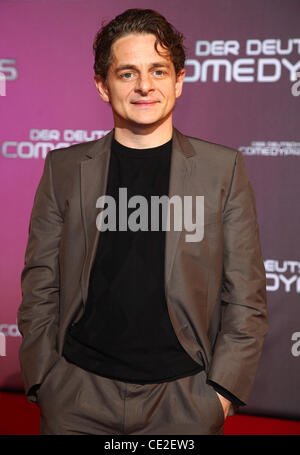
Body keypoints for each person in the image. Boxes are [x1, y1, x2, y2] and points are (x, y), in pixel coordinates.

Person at [17, 8, 268, 435]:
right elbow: (41, 282)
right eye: (127, 73)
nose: (145, 86)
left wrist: (220, 396)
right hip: (78, 396)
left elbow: (245, 295)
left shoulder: (221, 169)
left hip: (184, 400)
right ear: (102, 85)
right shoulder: (64, 167)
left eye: (158, 70)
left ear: (179, 80)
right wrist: (46, 379)